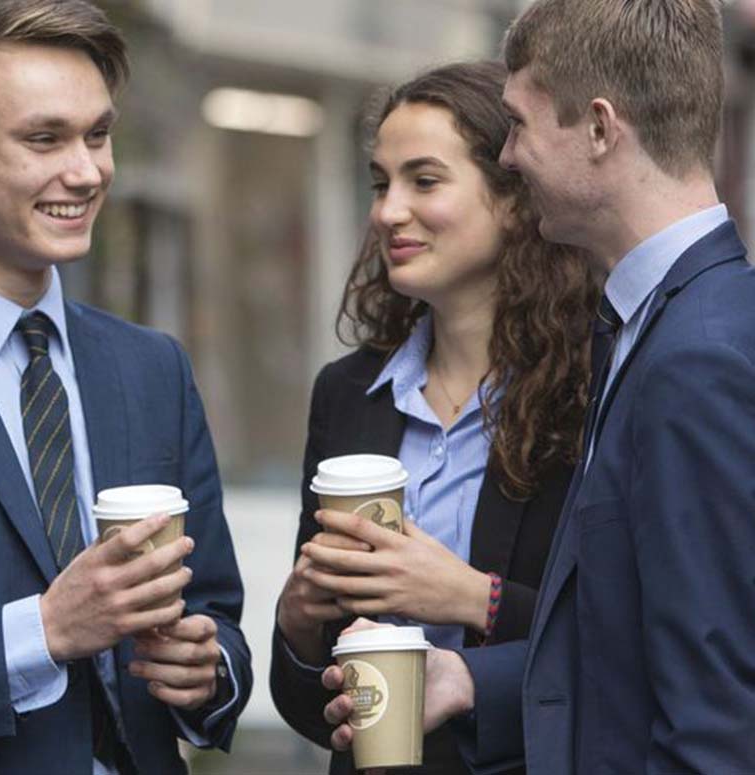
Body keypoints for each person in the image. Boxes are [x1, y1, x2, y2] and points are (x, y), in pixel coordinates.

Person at [323, 1, 755, 772]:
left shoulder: (697, 356)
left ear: (598, 127)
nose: (511, 157)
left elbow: (715, 711)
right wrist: (468, 677)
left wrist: (473, 602)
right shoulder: (647, 325)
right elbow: (622, 641)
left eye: (519, 124)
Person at [0, 1, 251, 773]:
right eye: (44, 139)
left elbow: (216, 611)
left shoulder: (151, 367)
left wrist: (208, 668)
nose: (88, 170)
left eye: (98, 134)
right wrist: (48, 628)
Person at [268, 61, 597, 774]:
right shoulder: (347, 394)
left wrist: (475, 599)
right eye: (381, 184)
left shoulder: (591, 387)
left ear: (512, 198)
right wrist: (297, 626)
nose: (388, 211)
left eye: (424, 180)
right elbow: (313, 711)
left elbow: (618, 641)